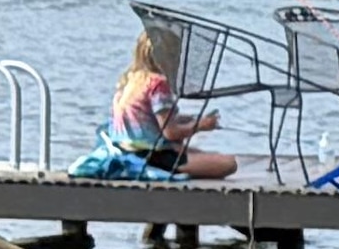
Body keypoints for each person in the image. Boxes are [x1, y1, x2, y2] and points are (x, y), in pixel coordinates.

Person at [93, 15, 240, 180]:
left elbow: (149, 120)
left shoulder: (132, 79)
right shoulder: (158, 84)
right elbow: (170, 133)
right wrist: (201, 125)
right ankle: (170, 169)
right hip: (151, 156)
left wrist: (187, 119)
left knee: (203, 154)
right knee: (229, 163)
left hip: (126, 150)